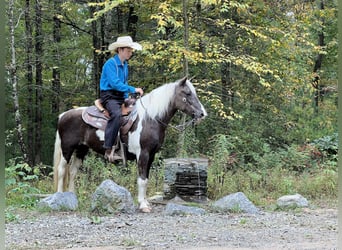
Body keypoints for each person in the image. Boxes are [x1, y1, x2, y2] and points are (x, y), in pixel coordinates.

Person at [99, 36, 144, 162]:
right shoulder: (110, 64)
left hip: (120, 96)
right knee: (117, 115)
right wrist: (133, 89)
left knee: (137, 109)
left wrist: (127, 98)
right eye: (128, 50)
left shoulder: (125, 65)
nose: (130, 53)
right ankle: (108, 149)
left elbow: (123, 84)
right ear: (120, 50)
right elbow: (115, 84)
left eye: (131, 50)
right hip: (109, 96)